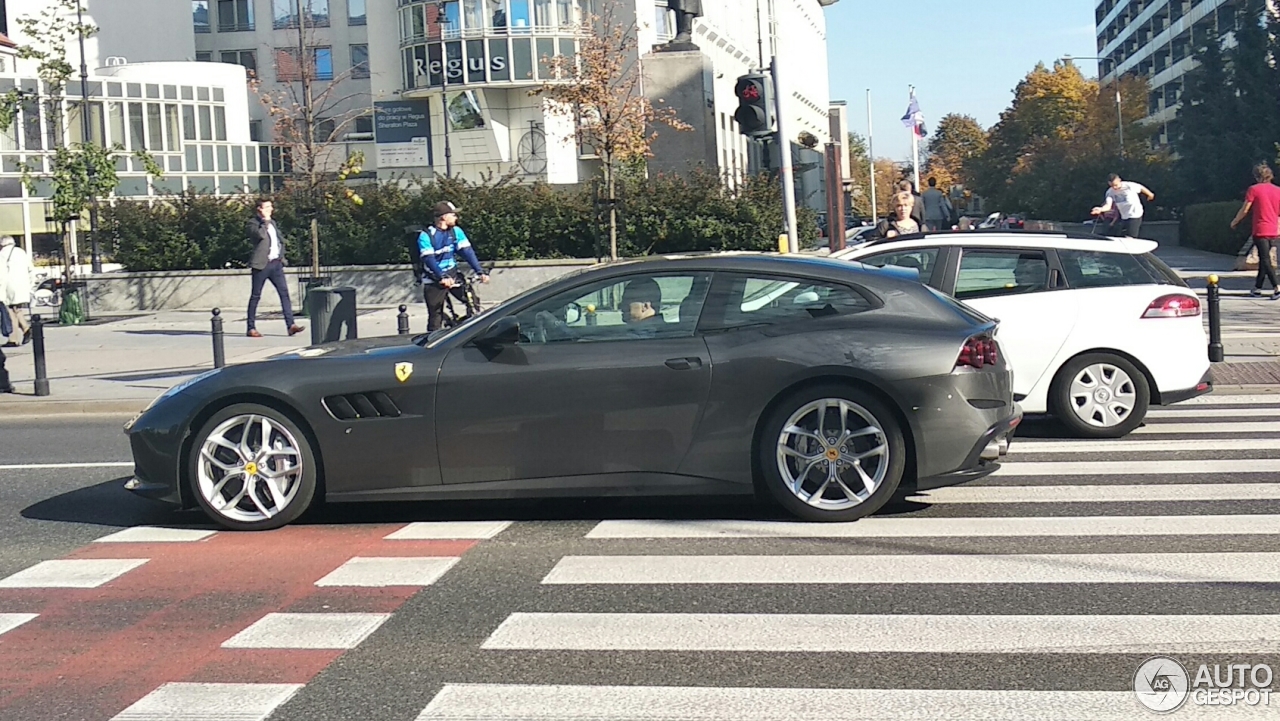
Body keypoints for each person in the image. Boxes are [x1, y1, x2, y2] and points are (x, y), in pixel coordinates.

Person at [419, 201, 490, 331]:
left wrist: (480, 271)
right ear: (443, 217)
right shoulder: (426, 236)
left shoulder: (456, 231)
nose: (456, 218)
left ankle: (467, 331)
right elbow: (429, 259)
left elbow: (467, 252)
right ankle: (432, 345)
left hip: (452, 273)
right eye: (453, 215)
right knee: (435, 316)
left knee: (472, 302)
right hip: (434, 278)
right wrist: (441, 277)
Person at [245, 198, 304, 338]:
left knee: (284, 294)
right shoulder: (253, 224)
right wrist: (265, 221)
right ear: (259, 209)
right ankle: (251, 327)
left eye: (271, 206)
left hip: (276, 264)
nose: (271, 209)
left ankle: (291, 325)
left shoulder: (273, 223)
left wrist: (281, 257)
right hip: (261, 265)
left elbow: (279, 240)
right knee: (255, 296)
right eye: (267, 207)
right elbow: (260, 236)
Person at [1231, 162, 1280, 300]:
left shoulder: (1254, 190)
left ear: (1257, 176)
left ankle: (1276, 288)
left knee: (1265, 259)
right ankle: (1257, 288)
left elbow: (1245, 209)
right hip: (1273, 228)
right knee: (1264, 258)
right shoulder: (1278, 190)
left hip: (1260, 228)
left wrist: (1235, 221)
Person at [1091, 173, 1154, 238]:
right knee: (1121, 235)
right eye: (1112, 186)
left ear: (1119, 180)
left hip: (1135, 214)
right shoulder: (1110, 192)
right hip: (1124, 216)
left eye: (1116, 185)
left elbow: (1141, 187)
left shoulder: (1129, 186)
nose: (1115, 187)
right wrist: (1100, 209)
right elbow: (1108, 206)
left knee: (1130, 236)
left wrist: (1150, 194)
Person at [0, 235, 32, 346]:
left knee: (10, 311)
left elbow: (1, 273)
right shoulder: (21, 252)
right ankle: (26, 329)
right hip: (22, 285)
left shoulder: (2, 254)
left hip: (9, 286)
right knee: (17, 309)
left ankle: (13, 339)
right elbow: (30, 268)